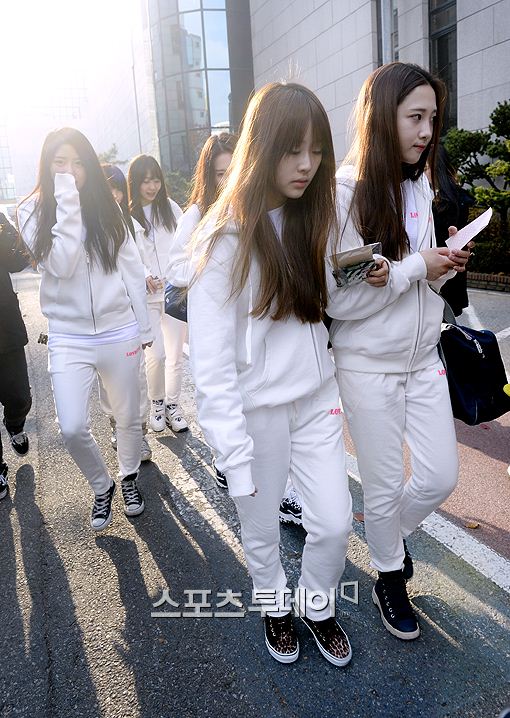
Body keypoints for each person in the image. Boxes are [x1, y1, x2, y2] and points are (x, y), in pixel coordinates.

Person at [188, 82, 353, 667]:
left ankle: (316, 604)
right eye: (292, 150)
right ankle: (274, 605)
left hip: (316, 396)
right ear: (262, 148)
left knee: (334, 522)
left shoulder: (314, 217)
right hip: (257, 412)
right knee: (260, 533)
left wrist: (381, 274)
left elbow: (328, 304)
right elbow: (209, 363)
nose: (307, 165)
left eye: (317, 151)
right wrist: (232, 457)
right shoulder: (223, 238)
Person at [327, 62, 472, 640]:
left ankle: (388, 537)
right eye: (415, 117)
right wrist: (415, 267)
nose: (426, 132)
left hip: (423, 361)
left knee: (439, 478)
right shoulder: (343, 195)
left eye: (432, 119)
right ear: (381, 118)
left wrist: (443, 266)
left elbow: (416, 283)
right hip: (367, 369)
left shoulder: (419, 187)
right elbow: (340, 303)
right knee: (383, 487)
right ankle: (389, 573)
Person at [18, 127, 152, 531]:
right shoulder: (31, 211)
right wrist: (67, 200)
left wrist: (144, 327)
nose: (69, 171)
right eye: (60, 163)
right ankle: (102, 483)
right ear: (47, 165)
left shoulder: (109, 208)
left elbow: (131, 268)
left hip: (119, 329)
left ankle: (128, 476)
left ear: (90, 166)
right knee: (73, 427)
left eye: (77, 163)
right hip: (68, 335)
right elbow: (62, 263)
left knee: (128, 417)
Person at [165, 131, 237, 488]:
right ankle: (223, 456)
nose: (227, 180)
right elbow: (175, 268)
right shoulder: (196, 213)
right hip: (211, 319)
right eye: (220, 173)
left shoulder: (254, 207)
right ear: (208, 176)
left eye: (233, 171)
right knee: (216, 390)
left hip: (247, 318)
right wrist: (211, 259)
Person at [128, 155, 187, 434]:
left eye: (156, 180)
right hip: (148, 296)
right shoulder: (128, 215)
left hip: (174, 292)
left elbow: (187, 242)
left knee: (175, 355)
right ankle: (157, 403)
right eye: (145, 181)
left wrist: (181, 274)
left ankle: (173, 405)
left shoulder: (171, 208)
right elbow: (127, 254)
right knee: (157, 354)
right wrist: (144, 274)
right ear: (135, 183)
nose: (152, 187)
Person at [99, 164, 152, 463]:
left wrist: (145, 328)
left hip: (130, 318)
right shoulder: (88, 227)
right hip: (103, 323)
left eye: (118, 189)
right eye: (107, 189)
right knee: (107, 380)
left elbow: (137, 271)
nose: (114, 195)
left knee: (137, 379)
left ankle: (140, 433)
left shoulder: (130, 225)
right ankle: (117, 428)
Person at [0, 213, 32, 499]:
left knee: (20, 396)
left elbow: (18, 261)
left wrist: (8, 228)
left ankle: (15, 425)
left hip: (5, 327)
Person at [429, 144, 475, 316]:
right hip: (447, 271)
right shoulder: (457, 197)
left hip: (443, 273)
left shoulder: (449, 199)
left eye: (424, 168)